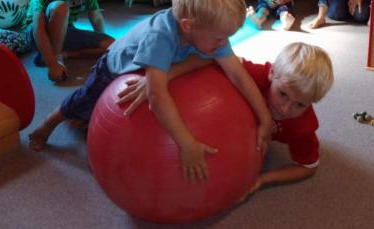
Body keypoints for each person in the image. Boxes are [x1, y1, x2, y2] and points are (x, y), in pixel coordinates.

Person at [28, 0, 274, 183]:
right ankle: (47, 124)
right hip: (114, 69)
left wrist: (264, 118)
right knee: (84, 102)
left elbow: (237, 75)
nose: (224, 44)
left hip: (151, 66)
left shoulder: (208, 31)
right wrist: (186, 143)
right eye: (219, 38)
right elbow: (157, 96)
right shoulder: (161, 37)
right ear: (188, 26)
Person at [117, 42, 335, 200]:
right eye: (283, 94)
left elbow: (309, 166)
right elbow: (213, 55)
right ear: (272, 74)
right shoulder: (258, 75)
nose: (286, 108)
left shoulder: (302, 126)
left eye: (300, 104)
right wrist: (163, 77)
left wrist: (264, 179)